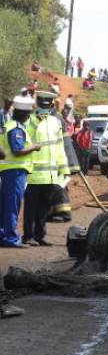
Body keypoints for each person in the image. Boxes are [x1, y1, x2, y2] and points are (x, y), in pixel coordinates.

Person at [23, 92, 70, 246]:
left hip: (50, 175)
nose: (44, 109)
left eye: (47, 106)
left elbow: (59, 147)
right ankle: (28, 236)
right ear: (36, 105)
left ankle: (40, 236)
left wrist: (64, 169)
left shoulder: (55, 123)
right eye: (41, 106)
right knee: (31, 208)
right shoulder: (29, 121)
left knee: (44, 207)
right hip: (33, 175)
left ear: (51, 106)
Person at [0, 96, 40, 248]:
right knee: (12, 205)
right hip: (15, 172)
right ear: (23, 114)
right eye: (28, 114)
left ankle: (3, 235)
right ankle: (11, 238)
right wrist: (34, 147)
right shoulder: (16, 128)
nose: (29, 116)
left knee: (5, 205)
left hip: (8, 171)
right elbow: (17, 151)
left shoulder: (7, 125)